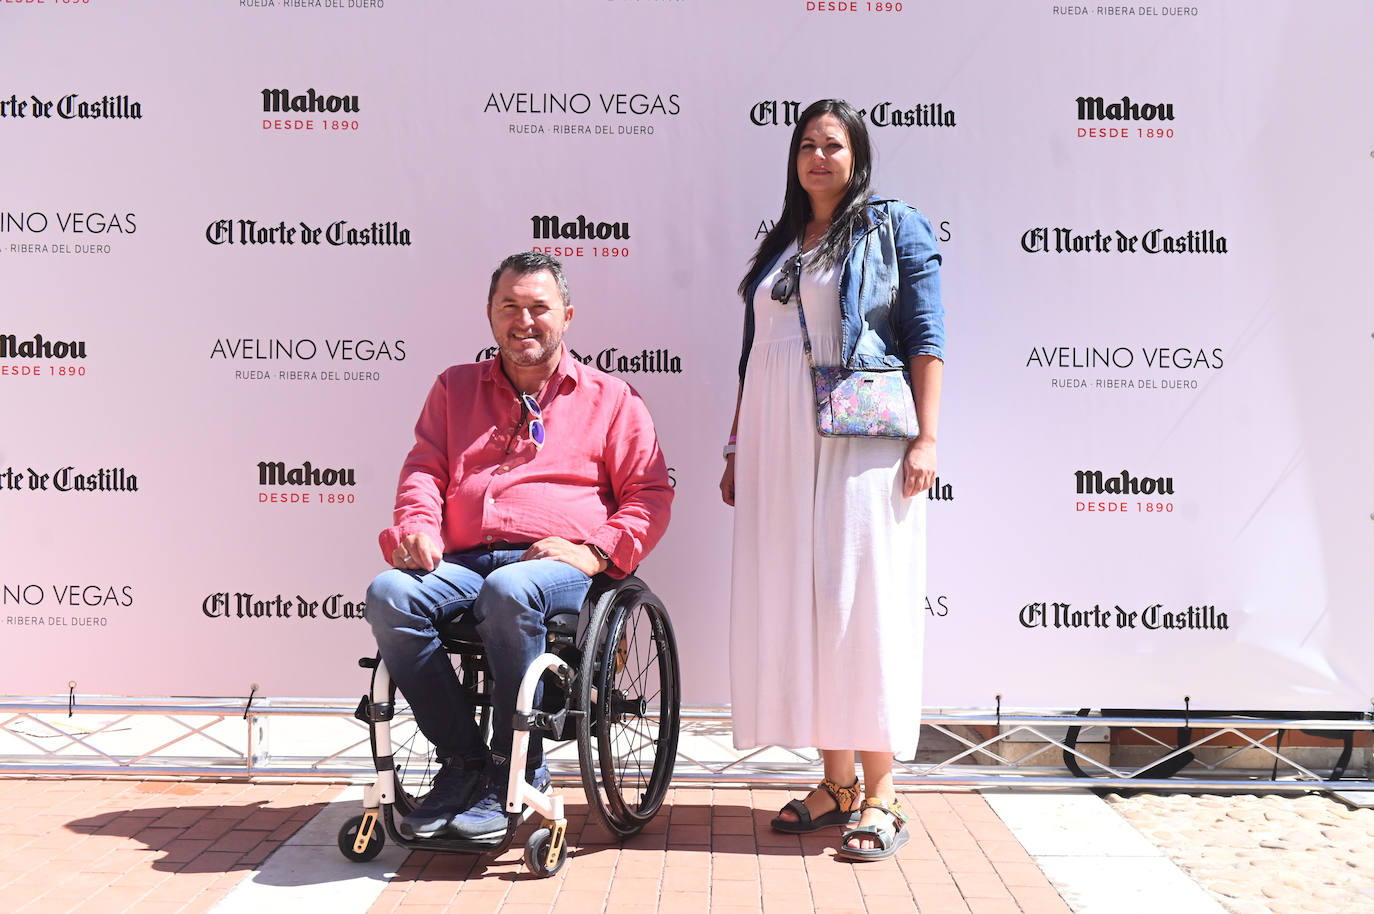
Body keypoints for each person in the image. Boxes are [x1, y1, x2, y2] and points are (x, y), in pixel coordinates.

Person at [366, 251, 673, 843]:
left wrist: (599, 553)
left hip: (555, 565)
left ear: (568, 315)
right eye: (510, 307)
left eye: (539, 308)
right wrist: (418, 527)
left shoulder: (612, 398)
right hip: (462, 560)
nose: (524, 321)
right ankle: (466, 764)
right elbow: (424, 470)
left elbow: (649, 494)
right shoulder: (454, 388)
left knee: (511, 589)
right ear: (489, 315)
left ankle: (518, 764)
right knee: (389, 595)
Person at [719, 99, 945, 861]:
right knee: (808, 602)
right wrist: (732, 446)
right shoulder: (782, 240)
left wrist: (928, 438)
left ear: (858, 156)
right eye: (807, 145)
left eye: (834, 145)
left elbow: (926, 337)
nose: (819, 157)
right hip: (775, 434)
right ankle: (837, 780)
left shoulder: (892, 225)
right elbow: (757, 351)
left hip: (861, 434)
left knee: (860, 599)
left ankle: (883, 792)